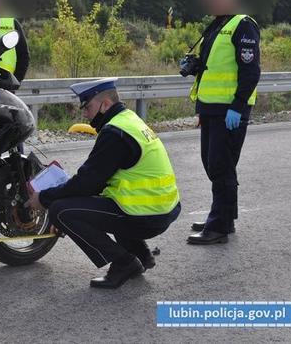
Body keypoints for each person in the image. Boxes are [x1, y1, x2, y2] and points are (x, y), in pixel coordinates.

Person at [25, 78, 181, 289]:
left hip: (147, 215)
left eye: (88, 107)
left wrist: (44, 198)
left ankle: (124, 263)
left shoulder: (114, 134)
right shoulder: (129, 120)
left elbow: (87, 183)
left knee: (61, 211)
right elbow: (97, 181)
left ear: (105, 104)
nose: (85, 114)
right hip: (160, 209)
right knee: (108, 202)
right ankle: (141, 254)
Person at [186, 0, 261, 245]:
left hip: (229, 111)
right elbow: (212, 68)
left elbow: (250, 71)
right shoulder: (217, 24)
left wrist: (237, 107)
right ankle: (224, 217)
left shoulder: (243, 25)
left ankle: (218, 227)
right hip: (211, 110)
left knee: (221, 167)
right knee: (212, 164)